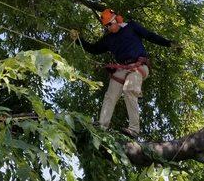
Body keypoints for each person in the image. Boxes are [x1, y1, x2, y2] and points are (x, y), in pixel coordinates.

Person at [70, 9, 178, 138]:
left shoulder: (131, 27)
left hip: (139, 65)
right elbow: (93, 49)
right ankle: (101, 126)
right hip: (122, 68)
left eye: (110, 24)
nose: (109, 28)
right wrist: (79, 40)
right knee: (110, 94)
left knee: (129, 90)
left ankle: (134, 129)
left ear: (117, 19)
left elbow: (150, 36)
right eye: (106, 26)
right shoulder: (108, 39)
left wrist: (168, 43)